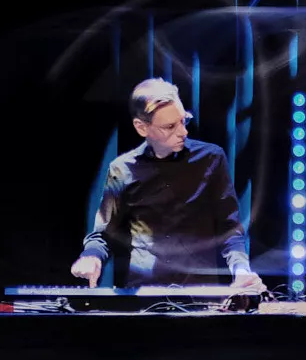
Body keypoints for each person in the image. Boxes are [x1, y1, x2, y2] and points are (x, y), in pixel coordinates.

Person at [69, 79, 263, 291]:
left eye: (183, 120)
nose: (183, 132)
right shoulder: (122, 169)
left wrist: (241, 269)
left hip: (200, 292)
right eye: (170, 126)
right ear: (142, 128)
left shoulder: (211, 158)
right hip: (145, 293)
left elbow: (229, 228)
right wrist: (92, 256)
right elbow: (104, 233)